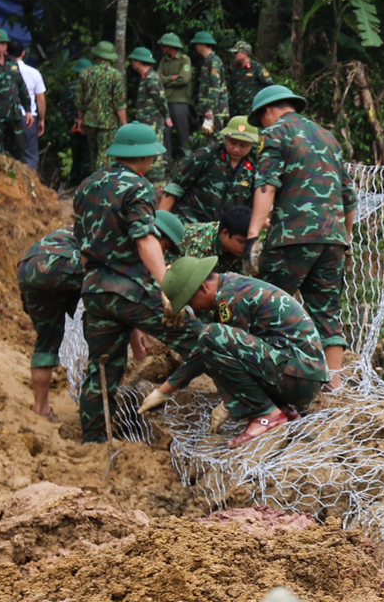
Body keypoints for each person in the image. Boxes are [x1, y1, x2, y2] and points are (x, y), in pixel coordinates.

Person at [73, 121, 204, 444]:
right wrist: (169, 287)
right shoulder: (139, 187)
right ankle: (250, 405)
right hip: (130, 288)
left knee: (102, 368)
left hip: (95, 291)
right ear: (145, 157)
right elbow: (146, 240)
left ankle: (93, 440)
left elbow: (82, 245)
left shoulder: (87, 186)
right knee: (202, 341)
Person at [140, 256, 327, 447]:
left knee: (210, 335)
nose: (193, 308)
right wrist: (163, 392)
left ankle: (267, 417)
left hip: (300, 376)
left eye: (190, 301)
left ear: (203, 288)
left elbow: (222, 347)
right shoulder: (230, 286)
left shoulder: (231, 297)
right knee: (211, 339)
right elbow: (208, 352)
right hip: (298, 373)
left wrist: (228, 403)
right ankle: (284, 412)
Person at [245, 84, 358, 387]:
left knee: (268, 308)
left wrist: (253, 237)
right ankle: (334, 390)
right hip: (333, 239)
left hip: (292, 239)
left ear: (267, 111)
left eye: (260, 120)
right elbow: (349, 198)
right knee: (326, 312)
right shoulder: (328, 137)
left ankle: (271, 389)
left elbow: (266, 185)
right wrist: (345, 241)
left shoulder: (275, 133)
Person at [16, 226, 82, 421]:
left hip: (28, 267)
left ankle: (41, 409)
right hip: (62, 264)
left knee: (47, 339)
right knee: (100, 317)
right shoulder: (112, 234)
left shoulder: (77, 228)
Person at [158, 114, 259, 222]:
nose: (236, 149)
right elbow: (175, 188)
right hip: (188, 224)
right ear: (225, 138)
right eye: (232, 143)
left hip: (222, 232)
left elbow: (251, 207)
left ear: (252, 144)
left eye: (243, 145)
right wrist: (160, 224)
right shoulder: (206, 156)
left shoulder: (252, 169)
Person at [73, 41, 126, 174]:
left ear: (97, 56)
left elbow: (79, 100)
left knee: (94, 154)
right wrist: (124, 124)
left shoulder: (85, 73)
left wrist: (80, 119)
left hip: (90, 120)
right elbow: (119, 103)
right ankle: (102, 185)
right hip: (108, 123)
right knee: (105, 155)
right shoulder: (115, 75)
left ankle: (94, 184)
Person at [0, 28, 32, 159]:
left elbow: (21, 87)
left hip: (14, 117)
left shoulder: (12, 65)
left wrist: (28, 110)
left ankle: (15, 179)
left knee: (17, 153)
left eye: (3, 43)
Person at [127, 47, 171, 183]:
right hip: (145, 122)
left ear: (138, 62)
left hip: (153, 122)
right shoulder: (146, 78)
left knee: (155, 152)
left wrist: (167, 116)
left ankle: (159, 184)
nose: (132, 63)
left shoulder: (151, 78)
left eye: (133, 60)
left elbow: (160, 99)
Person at [171, 204, 254, 274]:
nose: (245, 246)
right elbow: (192, 281)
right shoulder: (201, 243)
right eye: (241, 242)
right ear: (224, 233)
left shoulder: (237, 243)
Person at [11, 40, 46, 170]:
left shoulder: (3, 71)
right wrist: (41, 120)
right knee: (30, 154)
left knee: (11, 154)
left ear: (7, 54)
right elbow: (41, 99)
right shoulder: (34, 73)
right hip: (29, 119)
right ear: (24, 53)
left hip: (9, 118)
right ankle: (30, 185)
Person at [157, 33, 192, 158]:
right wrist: (172, 78)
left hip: (180, 101)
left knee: (182, 131)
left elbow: (183, 79)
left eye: (164, 45)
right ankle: (166, 159)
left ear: (170, 46)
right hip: (166, 101)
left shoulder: (184, 60)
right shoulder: (163, 61)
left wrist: (165, 80)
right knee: (166, 131)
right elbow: (157, 79)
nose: (161, 47)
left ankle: (187, 158)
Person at [190, 31, 229, 141]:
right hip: (212, 109)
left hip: (215, 110)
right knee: (210, 139)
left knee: (217, 139)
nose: (196, 47)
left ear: (202, 44)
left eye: (197, 44)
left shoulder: (214, 62)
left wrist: (210, 109)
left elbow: (214, 87)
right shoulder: (208, 62)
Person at [227, 40, 274, 118]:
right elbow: (232, 90)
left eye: (236, 53)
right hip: (236, 112)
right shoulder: (236, 70)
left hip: (251, 110)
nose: (234, 55)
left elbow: (269, 86)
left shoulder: (257, 68)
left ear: (244, 53)